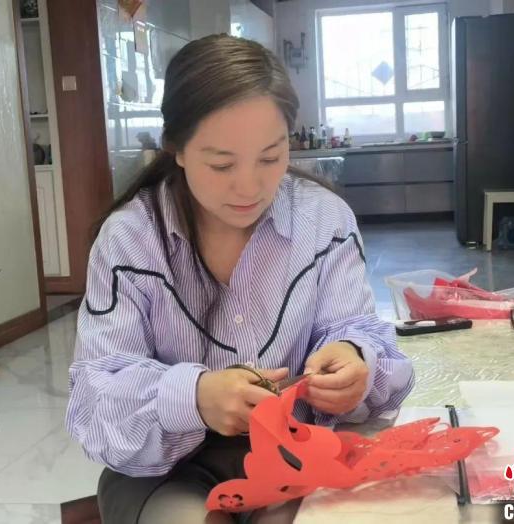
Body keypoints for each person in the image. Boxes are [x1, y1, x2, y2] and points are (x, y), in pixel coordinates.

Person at [66, 34, 414, 524]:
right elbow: (97, 399)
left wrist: (356, 360)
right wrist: (194, 398)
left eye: (271, 157)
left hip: (297, 453)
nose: (249, 186)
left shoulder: (324, 221)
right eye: (221, 164)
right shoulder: (130, 239)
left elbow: (360, 333)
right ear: (176, 148)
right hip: (168, 469)